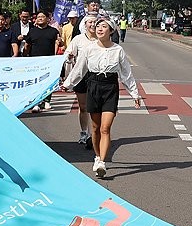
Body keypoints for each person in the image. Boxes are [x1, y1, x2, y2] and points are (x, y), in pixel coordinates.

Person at [61, 17, 142, 178]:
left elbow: (126, 74)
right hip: (93, 85)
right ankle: (97, 156)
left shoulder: (118, 50)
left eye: (103, 26)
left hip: (110, 87)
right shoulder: (89, 49)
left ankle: (102, 162)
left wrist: (135, 94)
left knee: (105, 127)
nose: (99, 28)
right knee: (96, 128)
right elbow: (79, 69)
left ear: (111, 31)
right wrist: (68, 84)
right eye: (98, 26)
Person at [64, 15, 98, 146]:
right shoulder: (78, 39)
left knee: (95, 107)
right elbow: (67, 55)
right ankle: (84, 132)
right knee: (83, 107)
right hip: (81, 76)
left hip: (96, 76)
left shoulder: (102, 39)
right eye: (90, 22)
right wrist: (70, 56)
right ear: (85, 24)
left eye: (96, 22)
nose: (93, 24)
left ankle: (96, 133)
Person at [25, 11, 61, 112]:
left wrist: (55, 54)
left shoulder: (53, 31)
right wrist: (26, 55)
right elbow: (27, 45)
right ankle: (36, 102)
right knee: (36, 82)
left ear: (48, 19)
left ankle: (47, 101)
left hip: (49, 61)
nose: (40, 18)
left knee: (48, 81)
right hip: (35, 61)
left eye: (43, 16)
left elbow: (58, 44)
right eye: (38, 17)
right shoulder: (32, 31)